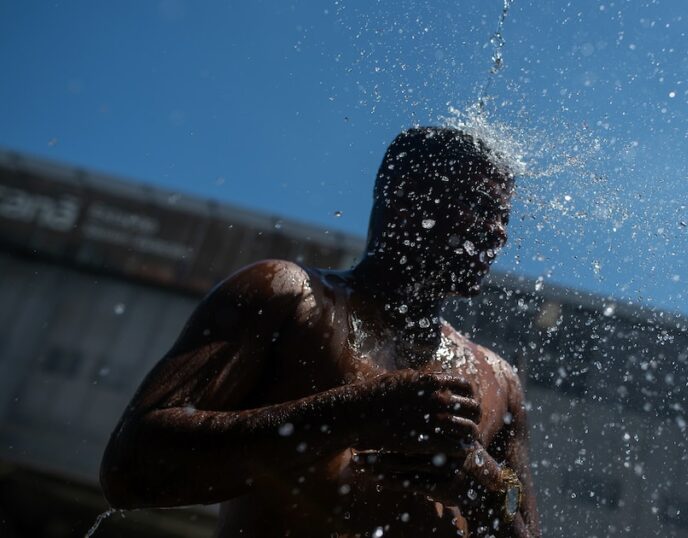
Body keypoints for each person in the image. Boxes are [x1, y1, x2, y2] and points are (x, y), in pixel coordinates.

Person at [99, 127, 540, 537]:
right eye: (481, 208)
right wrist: (356, 414)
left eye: (503, 217)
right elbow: (129, 470)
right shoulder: (288, 298)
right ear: (407, 198)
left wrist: (482, 487)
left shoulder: (499, 380)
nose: (498, 234)